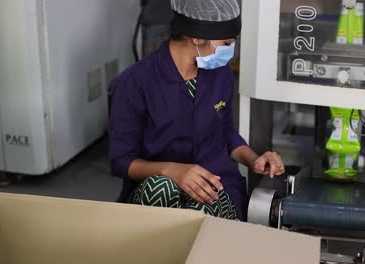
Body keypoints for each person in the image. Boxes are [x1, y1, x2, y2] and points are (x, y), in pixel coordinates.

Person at [109, 0, 285, 221]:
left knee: (200, 211)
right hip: (158, 188)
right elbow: (121, 161)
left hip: (215, 183)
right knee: (160, 187)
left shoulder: (219, 73)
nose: (230, 51)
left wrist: (254, 159)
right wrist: (173, 171)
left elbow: (225, 131)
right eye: (226, 43)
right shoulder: (134, 83)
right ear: (197, 37)